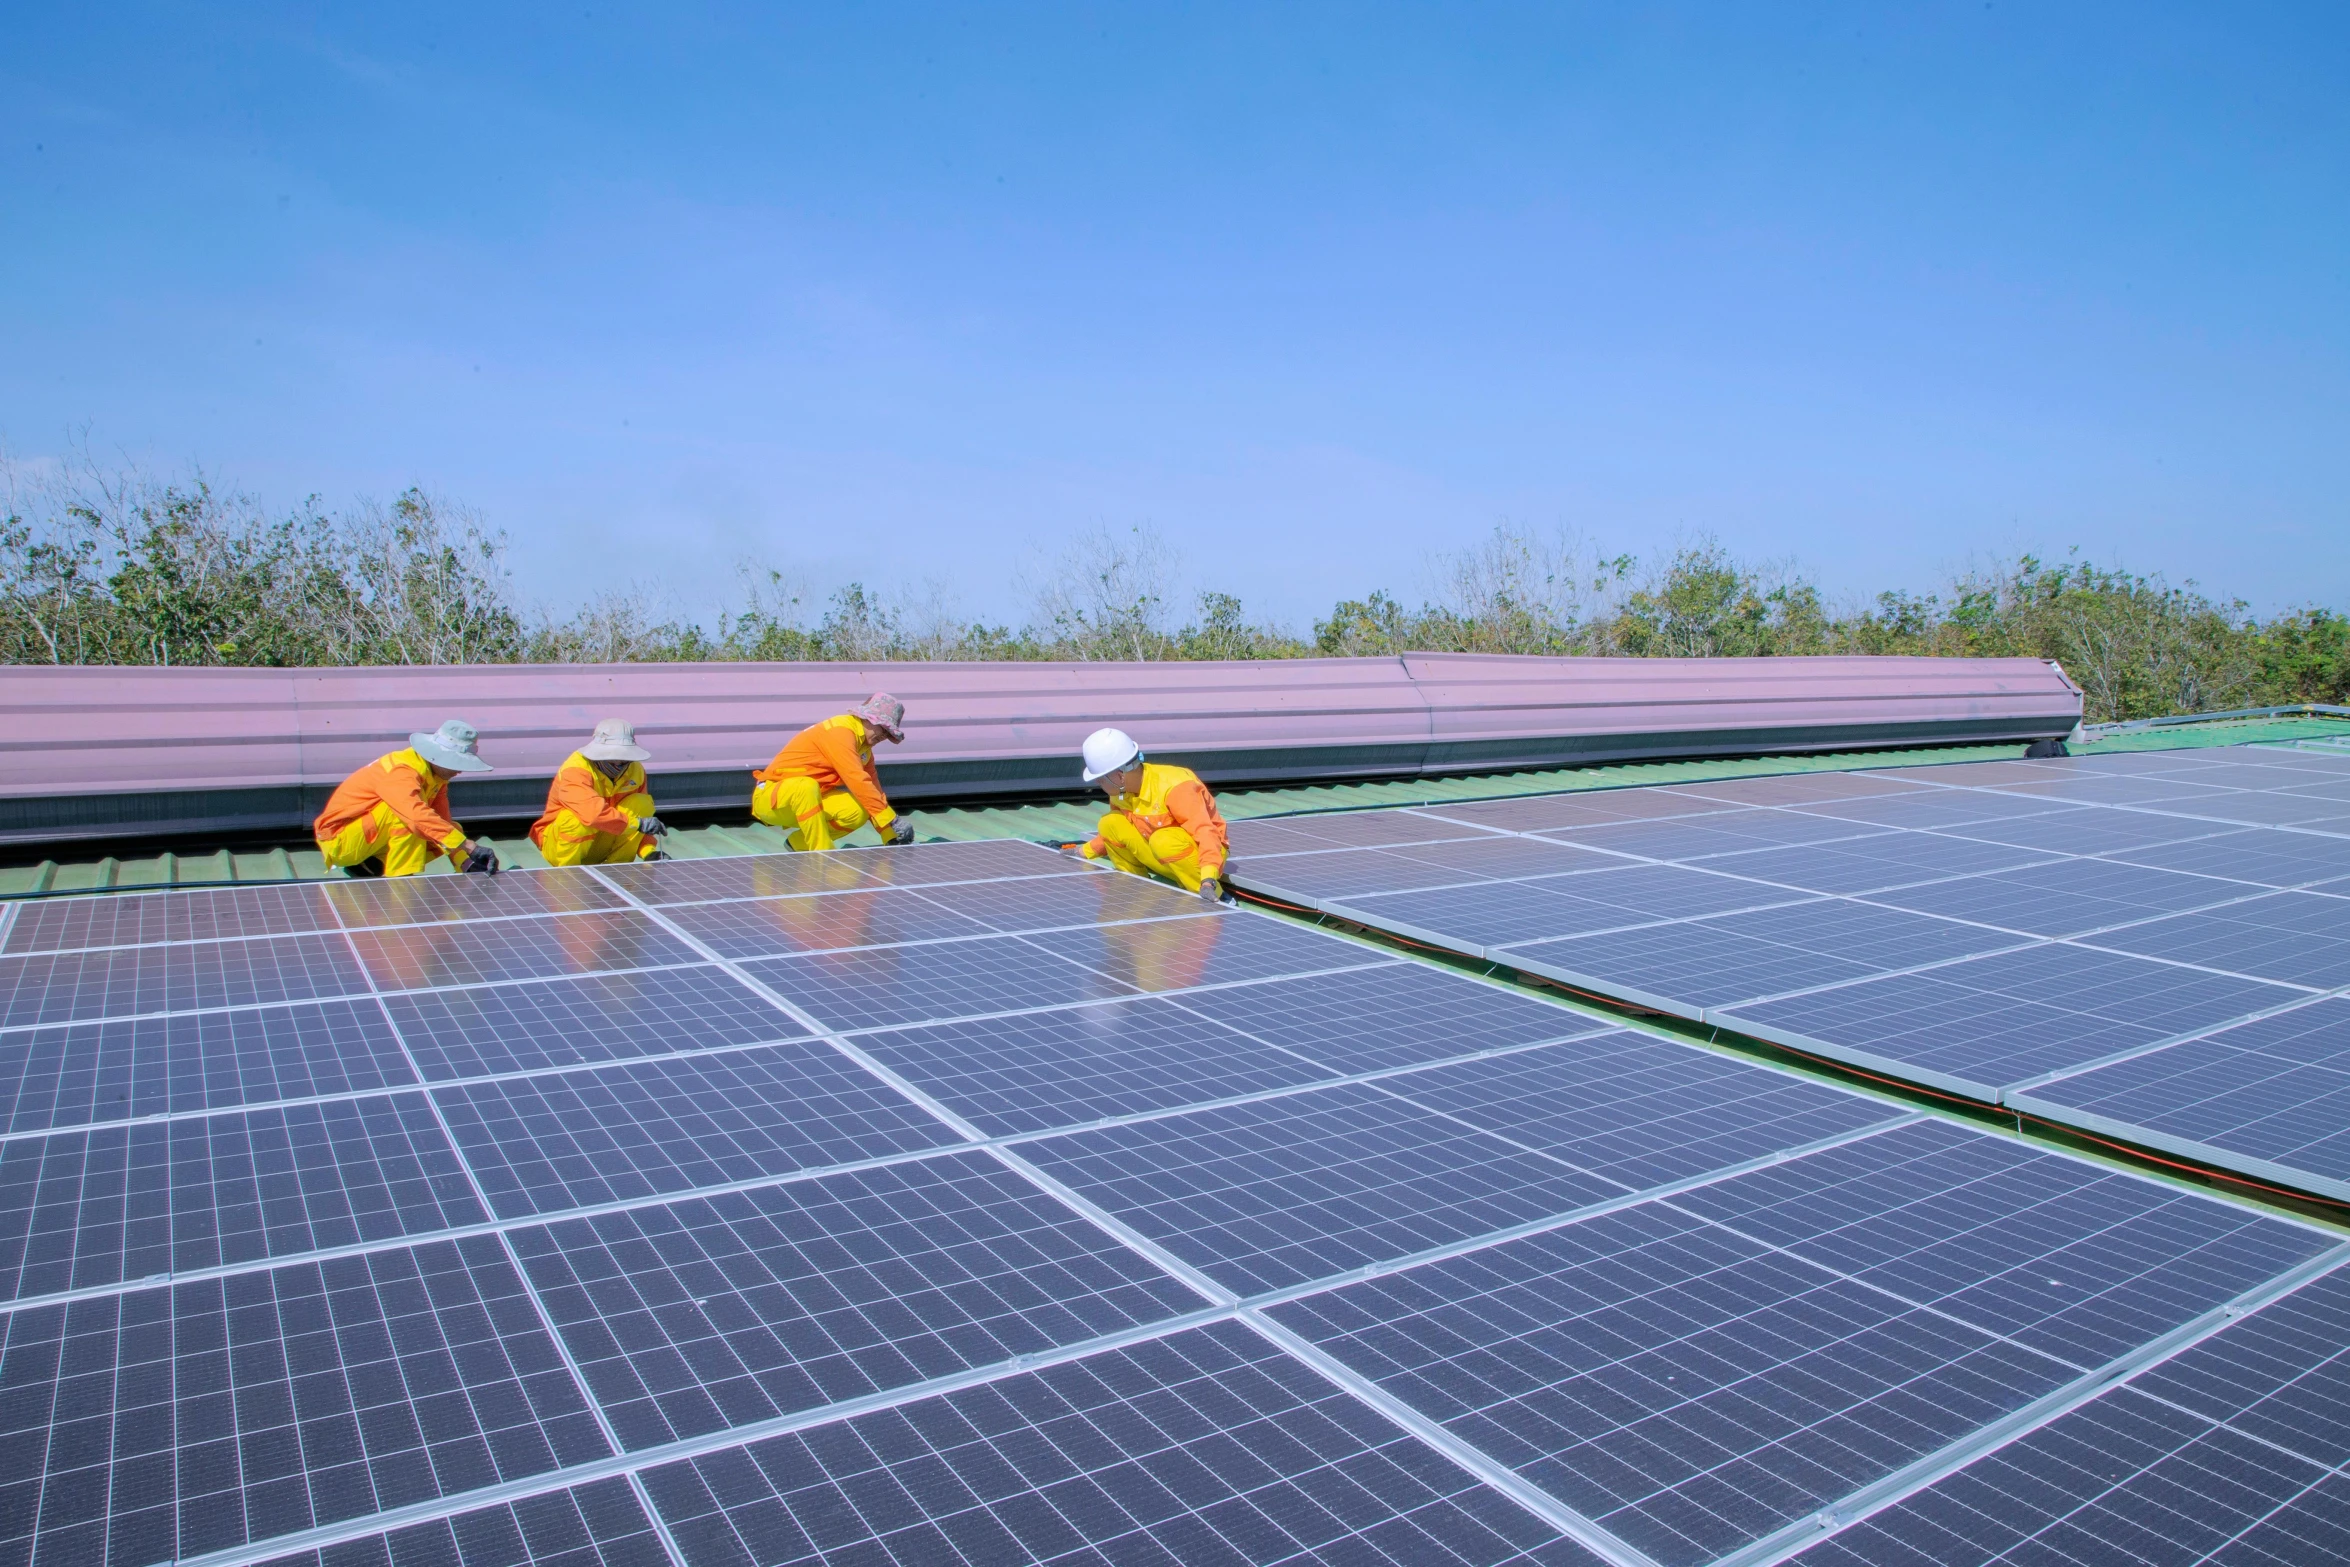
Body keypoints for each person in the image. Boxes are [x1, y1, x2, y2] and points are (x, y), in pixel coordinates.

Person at [315, 719, 499, 878]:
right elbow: (414, 816)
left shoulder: (436, 777)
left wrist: (466, 861)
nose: (459, 770)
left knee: (449, 830)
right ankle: (401, 881)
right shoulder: (402, 770)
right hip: (341, 841)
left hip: (368, 840)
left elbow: (442, 823)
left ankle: (371, 864)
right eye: (456, 763)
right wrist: (470, 846)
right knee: (412, 817)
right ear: (438, 757)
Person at [1074, 727, 1230, 902]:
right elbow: (1116, 832)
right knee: (1109, 822)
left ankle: (1218, 899)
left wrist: (1208, 879)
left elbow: (1206, 834)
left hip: (1203, 860)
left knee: (1163, 840)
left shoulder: (1175, 786)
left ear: (1120, 777)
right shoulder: (1120, 794)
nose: (1098, 784)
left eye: (1100, 779)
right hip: (1162, 857)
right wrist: (1083, 852)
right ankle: (1137, 891)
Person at [751, 694, 916, 850]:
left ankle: (799, 843)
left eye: (889, 733)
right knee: (806, 786)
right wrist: (893, 820)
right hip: (771, 799)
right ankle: (822, 853)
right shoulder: (840, 732)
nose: (884, 736)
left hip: (809, 801)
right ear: (867, 717)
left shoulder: (864, 749)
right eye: (882, 728)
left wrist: (889, 834)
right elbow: (856, 779)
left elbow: (873, 791)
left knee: (858, 810)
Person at [530, 718, 668, 866]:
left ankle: (619, 869)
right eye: (612, 758)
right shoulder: (575, 770)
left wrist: (648, 851)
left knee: (640, 803)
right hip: (560, 846)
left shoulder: (636, 771)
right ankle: (569, 873)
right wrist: (638, 824)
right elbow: (593, 814)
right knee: (575, 819)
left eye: (623, 759)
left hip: (602, 842)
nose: (618, 764)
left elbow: (641, 818)